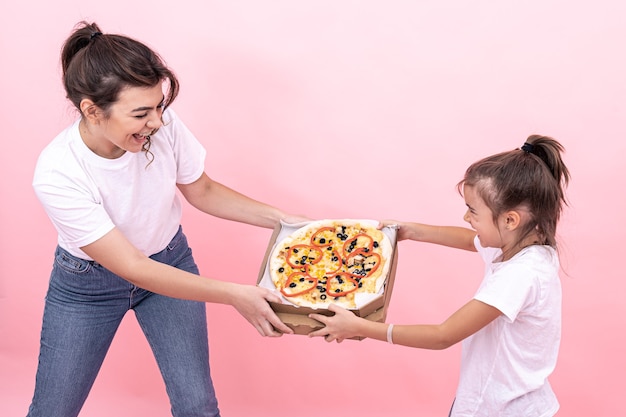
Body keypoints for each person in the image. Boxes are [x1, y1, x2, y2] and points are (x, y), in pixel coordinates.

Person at [29, 21, 305, 417]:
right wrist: (235, 294)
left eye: (160, 106)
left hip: (168, 262)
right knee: (53, 409)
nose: (157, 122)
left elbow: (202, 191)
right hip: (87, 287)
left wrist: (286, 220)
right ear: (91, 110)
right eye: (141, 113)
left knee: (198, 404)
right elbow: (133, 267)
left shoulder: (160, 126)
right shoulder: (58, 173)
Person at [309, 135, 570, 416]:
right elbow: (471, 241)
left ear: (509, 220)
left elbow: (442, 335)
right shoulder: (525, 244)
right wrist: (412, 230)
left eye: (472, 211)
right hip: (505, 401)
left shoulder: (520, 276)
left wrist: (360, 327)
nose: (466, 219)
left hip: (498, 409)